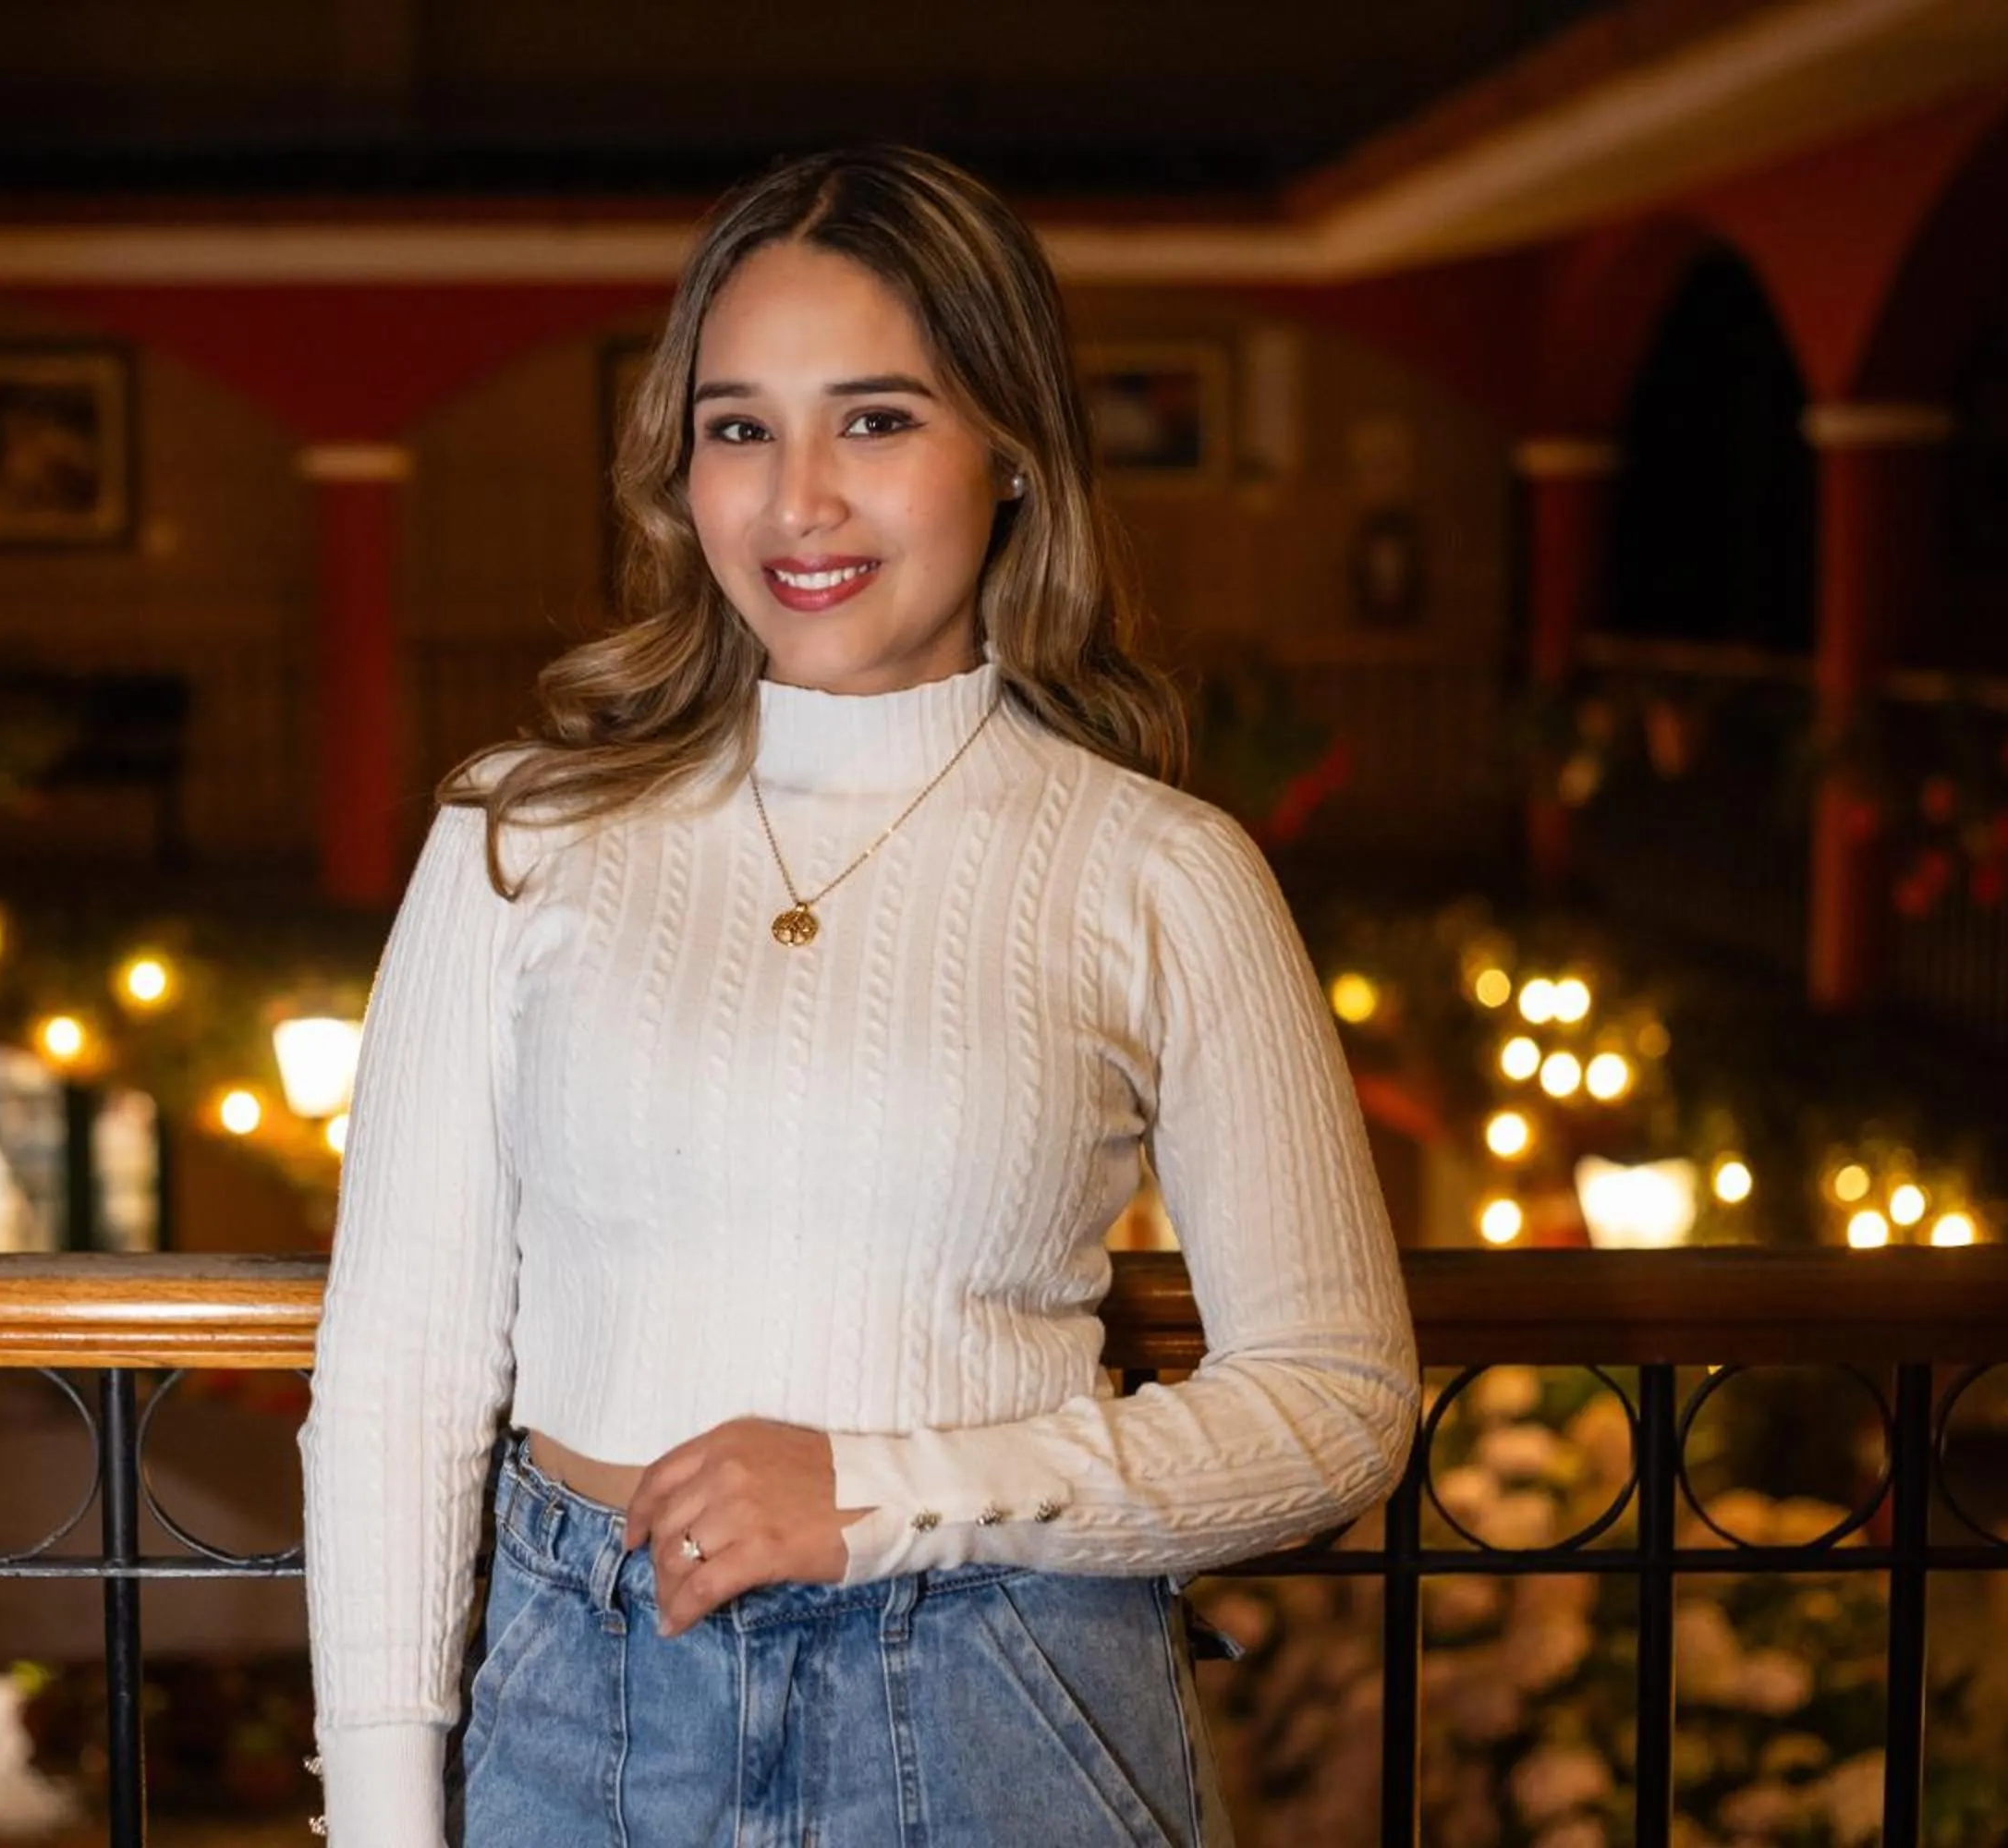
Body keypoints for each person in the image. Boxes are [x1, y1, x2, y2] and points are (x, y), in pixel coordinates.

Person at [298, 144, 1419, 1846]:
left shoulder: (1160, 869)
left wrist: (894, 1495)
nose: (797, 501)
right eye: (741, 426)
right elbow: (400, 1367)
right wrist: (383, 1820)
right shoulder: (519, 833)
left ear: (1016, 456)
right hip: (576, 1706)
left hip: (1002, 1694)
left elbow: (1338, 1407)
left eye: (878, 420)